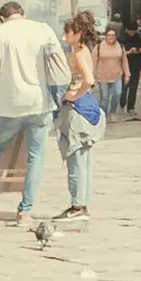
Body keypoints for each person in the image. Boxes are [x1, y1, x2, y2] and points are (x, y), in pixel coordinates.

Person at [0, 0, 61, 226]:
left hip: (10, 104)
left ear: (2, 17)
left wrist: (7, 70)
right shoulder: (43, 28)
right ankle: (24, 212)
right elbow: (58, 62)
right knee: (35, 157)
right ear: (23, 14)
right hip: (40, 103)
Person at [55, 12, 104, 222]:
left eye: (67, 32)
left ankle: (77, 205)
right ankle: (81, 204)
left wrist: (73, 95)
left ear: (78, 33)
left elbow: (89, 79)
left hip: (77, 109)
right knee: (83, 160)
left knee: (75, 159)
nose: (64, 36)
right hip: (87, 107)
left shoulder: (79, 53)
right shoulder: (81, 51)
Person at [94, 27, 126, 116]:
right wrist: (92, 74)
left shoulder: (120, 46)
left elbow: (124, 61)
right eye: (109, 35)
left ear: (116, 36)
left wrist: (127, 74)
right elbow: (93, 61)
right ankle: (103, 115)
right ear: (105, 36)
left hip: (117, 75)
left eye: (113, 35)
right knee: (104, 97)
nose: (111, 37)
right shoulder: (99, 46)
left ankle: (112, 112)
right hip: (102, 76)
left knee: (117, 93)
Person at [120, 18, 141, 119]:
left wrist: (137, 50)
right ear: (127, 30)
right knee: (124, 87)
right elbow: (120, 51)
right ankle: (122, 103)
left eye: (134, 31)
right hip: (124, 66)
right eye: (130, 31)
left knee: (133, 88)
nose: (132, 33)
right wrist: (129, 51)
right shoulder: (122, 38)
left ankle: (131, 107)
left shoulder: (138, 37)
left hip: (135, 65)